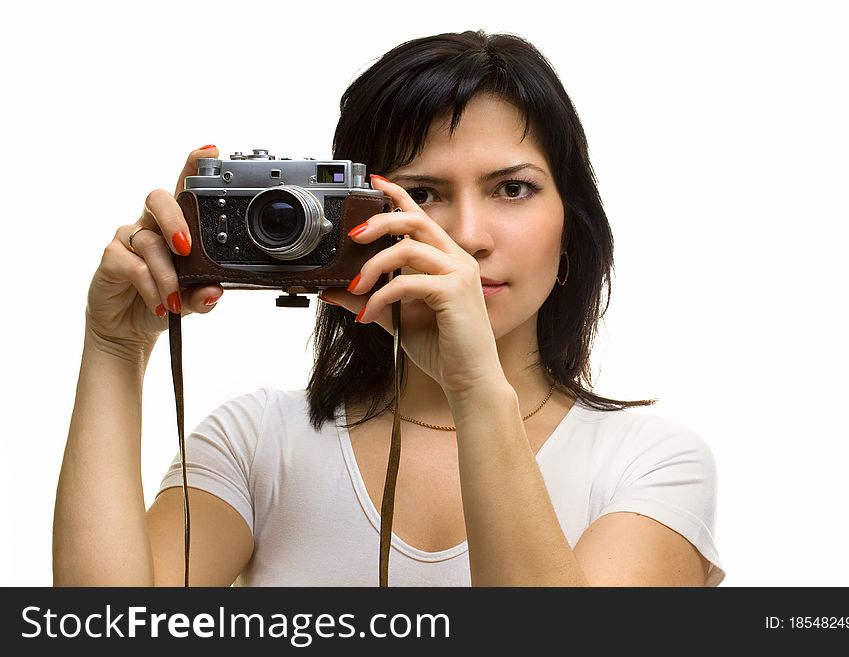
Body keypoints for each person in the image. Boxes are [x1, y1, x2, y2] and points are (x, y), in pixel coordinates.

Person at [54, 30, 725, 587]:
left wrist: (473, 385)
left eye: (512, 188)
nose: (467, 234)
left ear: (571, 226)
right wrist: (115, 345)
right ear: (350, 220)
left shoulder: (652, 464)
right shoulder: (258, 444)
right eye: (422, 192)